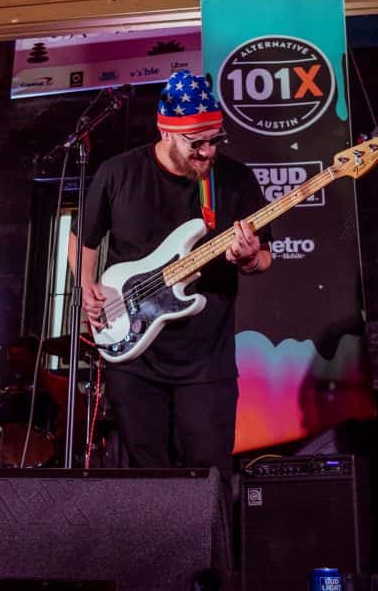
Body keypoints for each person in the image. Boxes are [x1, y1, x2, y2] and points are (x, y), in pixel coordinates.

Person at [70, 70, 272, 492]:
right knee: (150, 481)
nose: (207, 151)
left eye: (215, 140)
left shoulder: (234, 179)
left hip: (207, 358)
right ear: (165, 131)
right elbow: (82, 239)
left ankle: (211, 541)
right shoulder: (118, 173)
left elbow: (265, 257)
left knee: (210, 480)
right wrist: (86, 285)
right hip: (133, 354)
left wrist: (251, 258)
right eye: (195, 142)